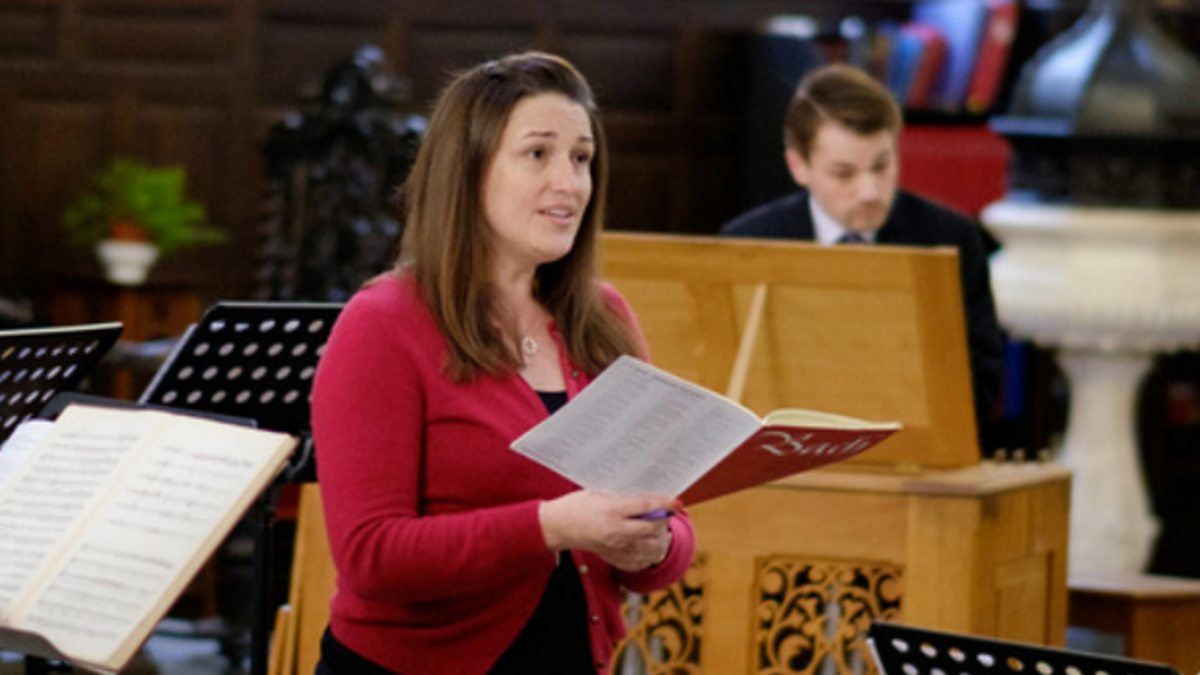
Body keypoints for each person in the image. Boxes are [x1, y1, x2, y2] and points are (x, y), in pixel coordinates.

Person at [310, 51, 696, 675]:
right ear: (467, 171)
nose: (569, 183)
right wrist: (551, 527)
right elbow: (370, 558)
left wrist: (654, 546)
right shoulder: (383, 323)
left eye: (581, 158)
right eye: (538, 154)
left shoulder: (604, 316)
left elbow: (668, 530)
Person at [720, 63, 1003, 450]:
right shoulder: (749, 242)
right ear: (799, 166)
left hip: (914, 452)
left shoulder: (950, 237)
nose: (870, 191)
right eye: (844, 173)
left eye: (881, 166)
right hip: (785, 454)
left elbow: (981, 379)